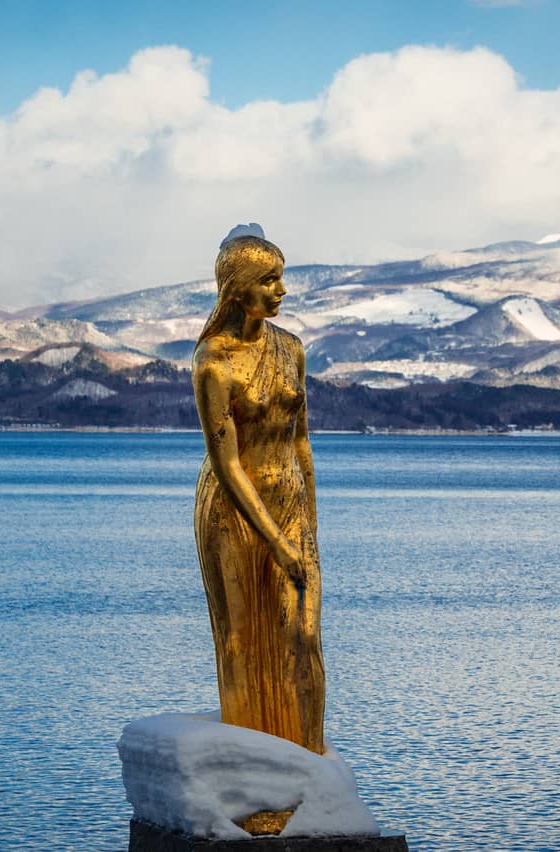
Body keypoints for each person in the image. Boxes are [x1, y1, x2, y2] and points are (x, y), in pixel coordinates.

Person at [192, 224, 325, 753]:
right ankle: (248, 761)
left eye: (281, 278)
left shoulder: (291, 349)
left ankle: (310, 764)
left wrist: (309, 525)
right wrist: (276, 541)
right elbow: (226, 464)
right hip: (234, 510)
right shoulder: (213, 362)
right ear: (237, 287)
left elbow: (302, 441)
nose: (281, 291)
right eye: (269, 280)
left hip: (289, 500)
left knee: (304, 635)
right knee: (241, 638)